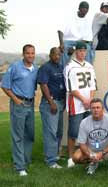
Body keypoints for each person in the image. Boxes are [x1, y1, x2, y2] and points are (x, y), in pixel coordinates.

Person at [1, 44, 38, 176]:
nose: (31, 55)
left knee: (30, 135)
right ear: (23, 54)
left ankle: (26, 160)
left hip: (30, 104)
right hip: (18, 104)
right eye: (28, 53)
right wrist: (16, 99)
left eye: (33, 53)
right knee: (18, 136)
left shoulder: (35, 69)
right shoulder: (15, 67)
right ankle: (19, 166)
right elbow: (5, 86)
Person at [64, 41, 97, 168]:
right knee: (73, 132)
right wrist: (84, 100)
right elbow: (71, 88)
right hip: (76, 103)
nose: (82, 53)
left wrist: (90, 99)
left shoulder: (89, 66)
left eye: (84, 51)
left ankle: (88, 155)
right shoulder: (70, 66)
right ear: (76, 51)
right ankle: (71, 157)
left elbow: (93, 85)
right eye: (80, 51)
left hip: (88, 103)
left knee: (89, 131)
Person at [72, 98, 108, 175]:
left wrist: (102, 153)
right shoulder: (84, 122)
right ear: (90, 110)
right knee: (76, 158)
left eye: (98, 107)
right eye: (93, 108)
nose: (95, 110)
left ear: (102, 109)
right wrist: (90, 155)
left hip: (107, 150)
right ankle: (93, 163)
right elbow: (81, 143)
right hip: (91, 150)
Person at [37, 47, 66, 169]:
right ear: (50, 55)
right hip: (50, 104)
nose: (57, 57)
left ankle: (55, 155)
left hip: (60, 102)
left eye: (59, 55)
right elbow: (43, 85)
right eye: (55, 54)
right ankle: (51, 161)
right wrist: (51, 103)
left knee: (59, 132)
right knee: (51, 133)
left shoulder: (60, 67)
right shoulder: (45, 67)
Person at [58, 1, 94, 66]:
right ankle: (63, 70)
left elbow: (87, 40)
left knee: (88, 49)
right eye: (83, 8)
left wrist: (74, 48)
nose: (85, 10)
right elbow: (60, 30)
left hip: (82, 42)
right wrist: (61, 43)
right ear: (79, 8)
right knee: (64, 48)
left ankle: (88, 69)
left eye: (87, 8)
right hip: (69, 41)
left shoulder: (88, 20)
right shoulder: (70, 17)